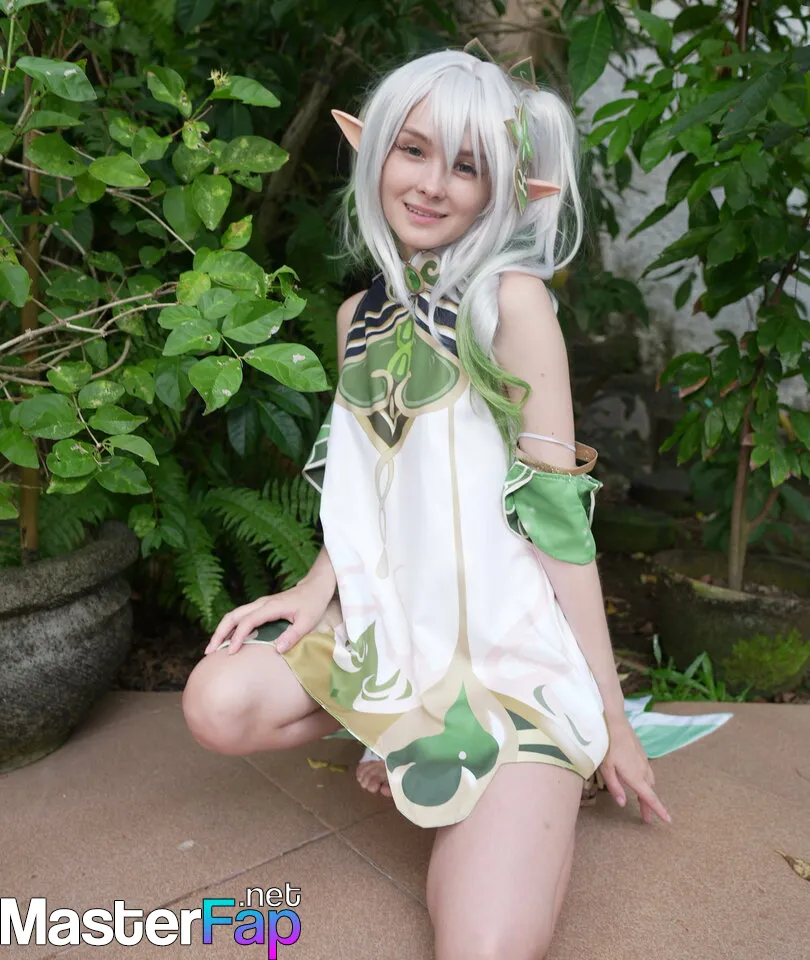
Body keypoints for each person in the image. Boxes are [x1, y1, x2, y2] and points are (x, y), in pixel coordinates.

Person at [183, 39, 671, 960]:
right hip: (397, 635)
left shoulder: (513, 304)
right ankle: (407, 731)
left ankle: (533, 758)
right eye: (413, 150)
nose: (432, 185)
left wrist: (612, 722)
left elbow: (557, 517)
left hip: (511, 657)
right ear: (377, 154)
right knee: (220, 701)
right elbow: (366, 479)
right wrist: (315, 589)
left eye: (467, 166)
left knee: (483, 948)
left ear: (500, 191)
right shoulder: (357, 315)